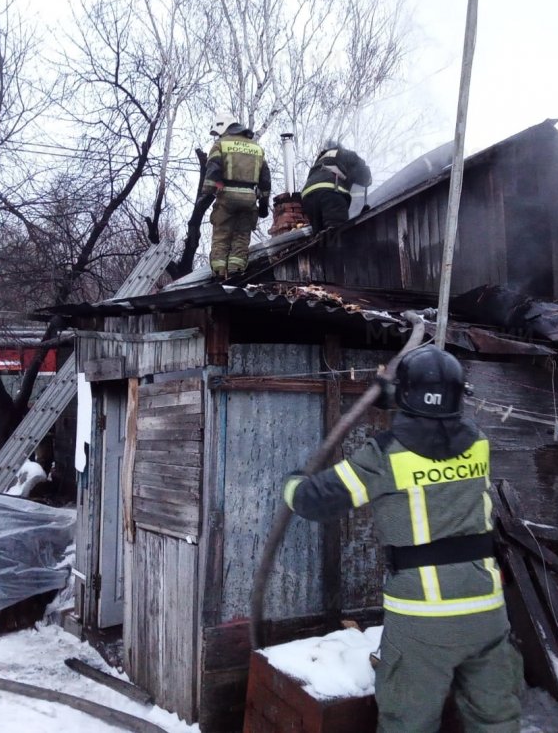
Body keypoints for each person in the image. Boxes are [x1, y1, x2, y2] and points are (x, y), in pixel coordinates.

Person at [282, 345, 522, 733]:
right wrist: (391, 394)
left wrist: (292, 484)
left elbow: (315, 502)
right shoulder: (478, 442)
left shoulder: (383, 457)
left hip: (424, 619)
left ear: (408, 394)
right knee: (496, 717)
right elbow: (434, 415)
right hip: (487, 613)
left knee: (408, 722)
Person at [199, 113, 272, 278]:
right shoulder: (257, 148)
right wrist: (264, 204)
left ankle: (219, 272)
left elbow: (212, 172)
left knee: (222, 234)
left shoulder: (221, 144)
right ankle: (236, 271)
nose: (218, 136)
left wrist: (207, 193)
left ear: (223, 126)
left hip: (227, 196)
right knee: (242, 235)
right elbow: (265, 180)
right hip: (249, 199)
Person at [300, 141, 372, 234]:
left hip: (308, 197)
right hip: (331, 193)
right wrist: (368, 180)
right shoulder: (346, 154)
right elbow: (364, 174)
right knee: (338, 233)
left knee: (320, 238)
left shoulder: (321, 159)